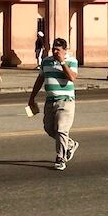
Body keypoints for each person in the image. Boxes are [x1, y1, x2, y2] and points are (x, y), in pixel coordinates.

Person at [29, 36, 79, 170]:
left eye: (58, 49)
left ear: (65, 50)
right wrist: (32, 97)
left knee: (62, 129)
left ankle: (60, 158)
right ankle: (70, 144)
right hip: (50, 101)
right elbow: (40, 79)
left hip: (65, 101)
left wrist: (62, 62)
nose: (55, 52)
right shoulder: (46, 61)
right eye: (53, 49)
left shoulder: (71, 61)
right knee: (49, 128)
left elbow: (72, 77)